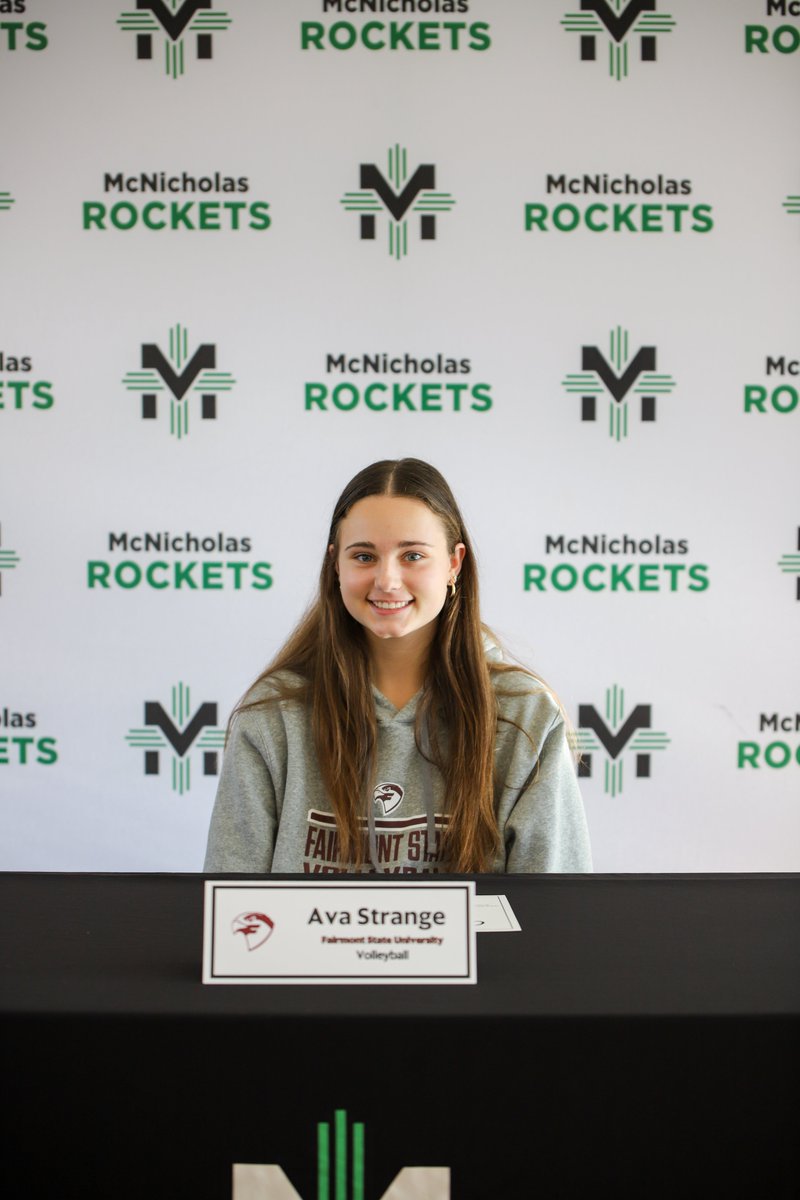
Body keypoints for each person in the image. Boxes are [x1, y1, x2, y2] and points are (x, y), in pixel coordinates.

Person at [204, 458, 592, 875]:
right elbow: (232, 916)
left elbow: (556, 919)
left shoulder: (526, 716)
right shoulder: (272, 714)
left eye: (412, 556)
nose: (387, 580)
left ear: (454, 563)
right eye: (365, 556)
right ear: (336, 563)